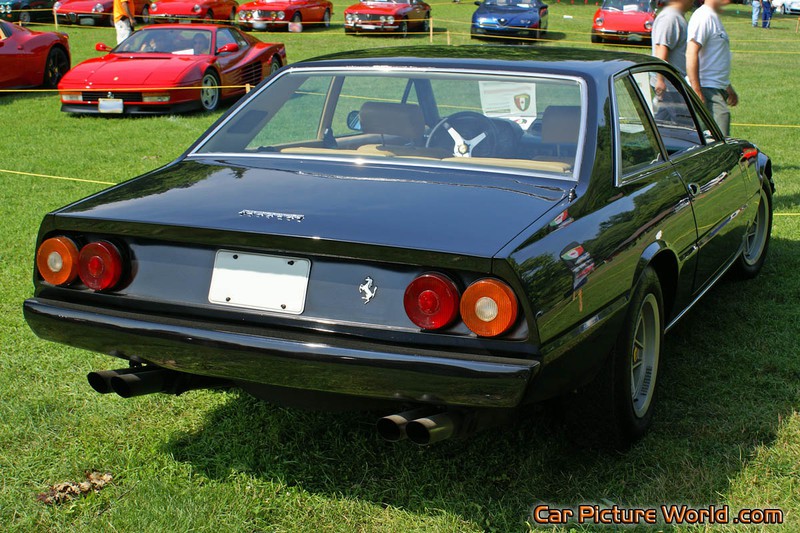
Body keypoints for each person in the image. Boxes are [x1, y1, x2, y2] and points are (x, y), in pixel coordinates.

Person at [686, 0, 737, 136]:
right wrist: (697, 90)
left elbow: (713, 58)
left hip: (715, 89)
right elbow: (691, 53)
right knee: (718, 143)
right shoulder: (703, 16)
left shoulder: (713, 17)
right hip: (706, 90)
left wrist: (728, 87)